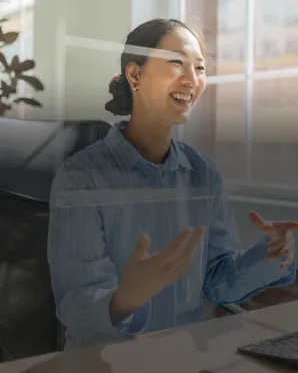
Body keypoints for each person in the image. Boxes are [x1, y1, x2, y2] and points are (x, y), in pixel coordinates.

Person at [48, 18, 297, 350]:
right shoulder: (82, 176)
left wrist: (271, 253)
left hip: (184, 356)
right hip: (105, 362)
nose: (192, 80)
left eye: (200, 68)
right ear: (135, 75)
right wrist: (126, 299)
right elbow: (76, 307)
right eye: (177, 63)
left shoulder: (202, 172)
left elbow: (217, 284)